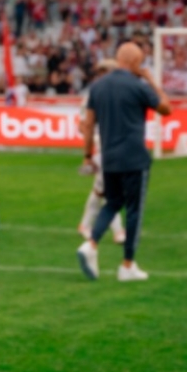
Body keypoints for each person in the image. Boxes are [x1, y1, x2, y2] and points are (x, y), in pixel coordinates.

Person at [77, 42, 172, 282]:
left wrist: (88, 155)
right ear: (137, 63)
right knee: (133, 211)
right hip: (134, 159)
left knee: (111, 203)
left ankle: (91, 244)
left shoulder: (98, 87)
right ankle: (127, 265)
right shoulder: (138, 85)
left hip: (109, 158)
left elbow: (88, 125)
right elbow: (166, 108)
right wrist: (150, 79)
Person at [77, 58, 126, 243]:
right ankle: (118, 232)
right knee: (109, 190)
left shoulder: (115, 93)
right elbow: (83, 125)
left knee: (101, 190)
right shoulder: (93, 95)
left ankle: (85, 225)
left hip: (113, 146)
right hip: (101, 147)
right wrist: (88, 152)